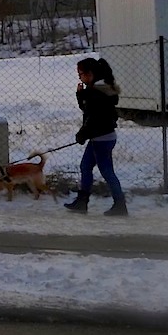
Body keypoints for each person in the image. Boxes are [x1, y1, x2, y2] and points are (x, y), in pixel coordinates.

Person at [65, 57, 127, 216]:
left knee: (106, 171)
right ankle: (82, 202)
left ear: (90, 74)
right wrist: (80, 96)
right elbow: (89, 111)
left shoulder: (95, 93)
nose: (80, 77)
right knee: (85, 167)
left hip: (101, 138)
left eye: (81, 74)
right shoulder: (100, 89)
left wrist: (82, 134)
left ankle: (120, 205)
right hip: (102, 137)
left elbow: (94, 118)